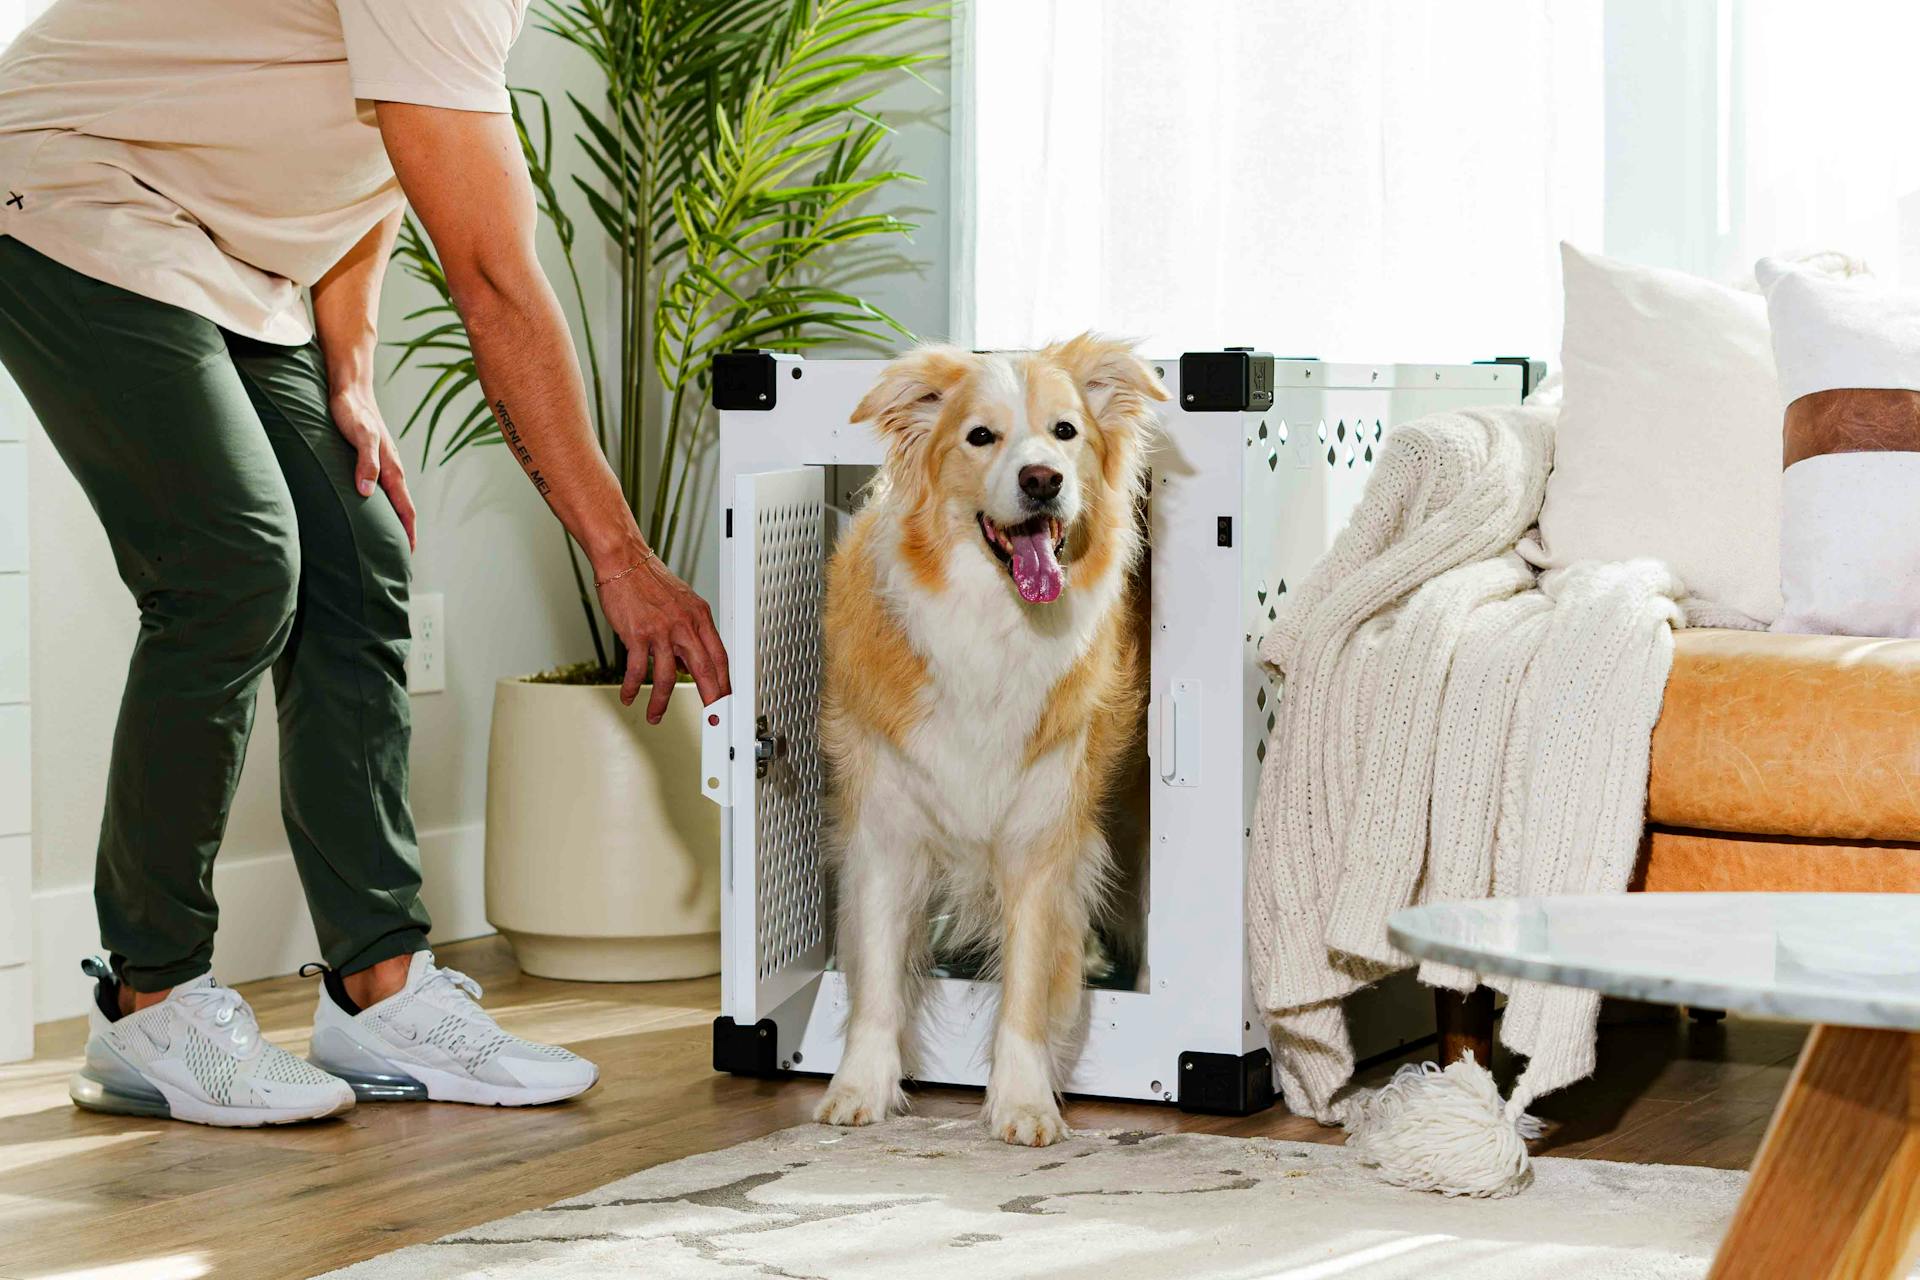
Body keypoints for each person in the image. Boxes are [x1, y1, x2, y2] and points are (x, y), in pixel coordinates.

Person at [0, 0, 730, 1126]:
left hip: (230, 249)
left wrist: (350, 369)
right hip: (75, 181)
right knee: (231, 561)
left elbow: (382, 147)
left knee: (357, 548)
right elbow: (490, 279)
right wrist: (619, 555)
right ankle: (147, 1002)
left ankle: (377, 987)